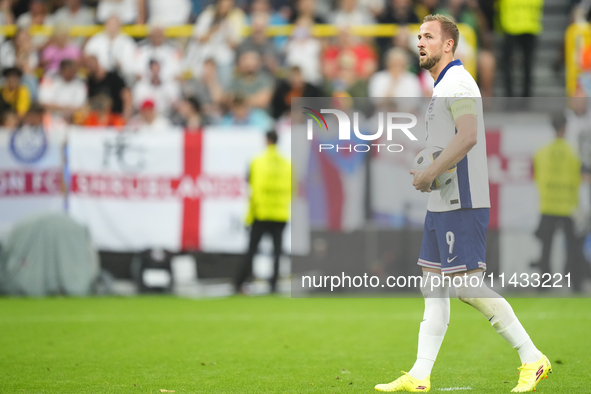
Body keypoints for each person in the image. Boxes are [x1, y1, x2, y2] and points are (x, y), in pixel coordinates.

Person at [375, 15, 551, 393]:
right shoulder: (442, 87)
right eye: (418, 36)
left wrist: (429, 171)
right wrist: (430, 168)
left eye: (429, 37)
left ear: (449, 45)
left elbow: (468, 135)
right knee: (432, 287)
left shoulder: (458, 82)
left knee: (467, 288)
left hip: (463, 199)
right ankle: (420, 376)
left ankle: (532, 357)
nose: (420, 42)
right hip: (443, 200)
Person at [235, 130, 291, 294]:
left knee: (251, 250)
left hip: (261, 212)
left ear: (266, 141)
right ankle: (273, 285)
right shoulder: (287, 164)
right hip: (280, 213)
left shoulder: (257, 162)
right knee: (277, 252)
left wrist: (249, 215)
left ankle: (239, 283)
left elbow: (251, 188)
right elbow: (292, 188)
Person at [532, 114, 583, 289]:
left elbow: (536, 176)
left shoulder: (542, 152)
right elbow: (577, 179)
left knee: (546, 248)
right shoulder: (572, 153)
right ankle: (576, 283)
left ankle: (544, 284)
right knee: (573, 248)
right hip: (568, 206)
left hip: (548, 205)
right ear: (565, 128)